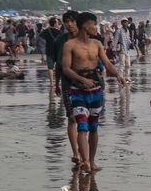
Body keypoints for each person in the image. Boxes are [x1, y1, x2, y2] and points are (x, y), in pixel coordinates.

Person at [62, 12, 125, 173]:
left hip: (96, 89)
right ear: (85, 25)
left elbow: (107, 63)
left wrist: (118, 75)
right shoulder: (70, 45)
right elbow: (66, 69)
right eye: (93, 24)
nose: (95, 28)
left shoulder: (97, 44)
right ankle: (85, 161)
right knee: (82, 126)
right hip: (78, 90)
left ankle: (91, 160)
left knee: (94, 127)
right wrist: (82, 80)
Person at [54, 11, 81, 166]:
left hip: (84, 83)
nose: (69, 24)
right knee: (72, 118)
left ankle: (85, 154)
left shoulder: (85, 39)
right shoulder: (60, 40)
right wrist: (56, 83)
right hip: (67, 83)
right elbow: (59, 65)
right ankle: (75, 153)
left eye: (72, 21)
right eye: (66, 21)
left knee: (85, 118)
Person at [39, 17, 62, 95]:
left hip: (49, 51)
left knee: (50, 67)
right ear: (55, 23)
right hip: (58, 51)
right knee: (59, 67)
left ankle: (52, 83)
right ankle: (60, 82)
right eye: (57, 22)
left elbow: (41, 39)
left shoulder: (45, 31)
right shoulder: (59, 32)